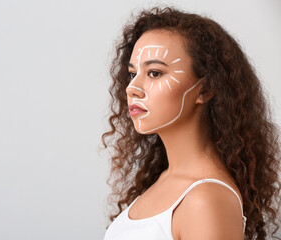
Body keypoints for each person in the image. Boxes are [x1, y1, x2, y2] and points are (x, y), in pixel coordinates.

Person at [101, 6, 281, 240]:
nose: (132, 89)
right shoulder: (166, 180)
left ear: (205, 89)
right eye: (133, 74)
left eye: (154, 73)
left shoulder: (205, 200)